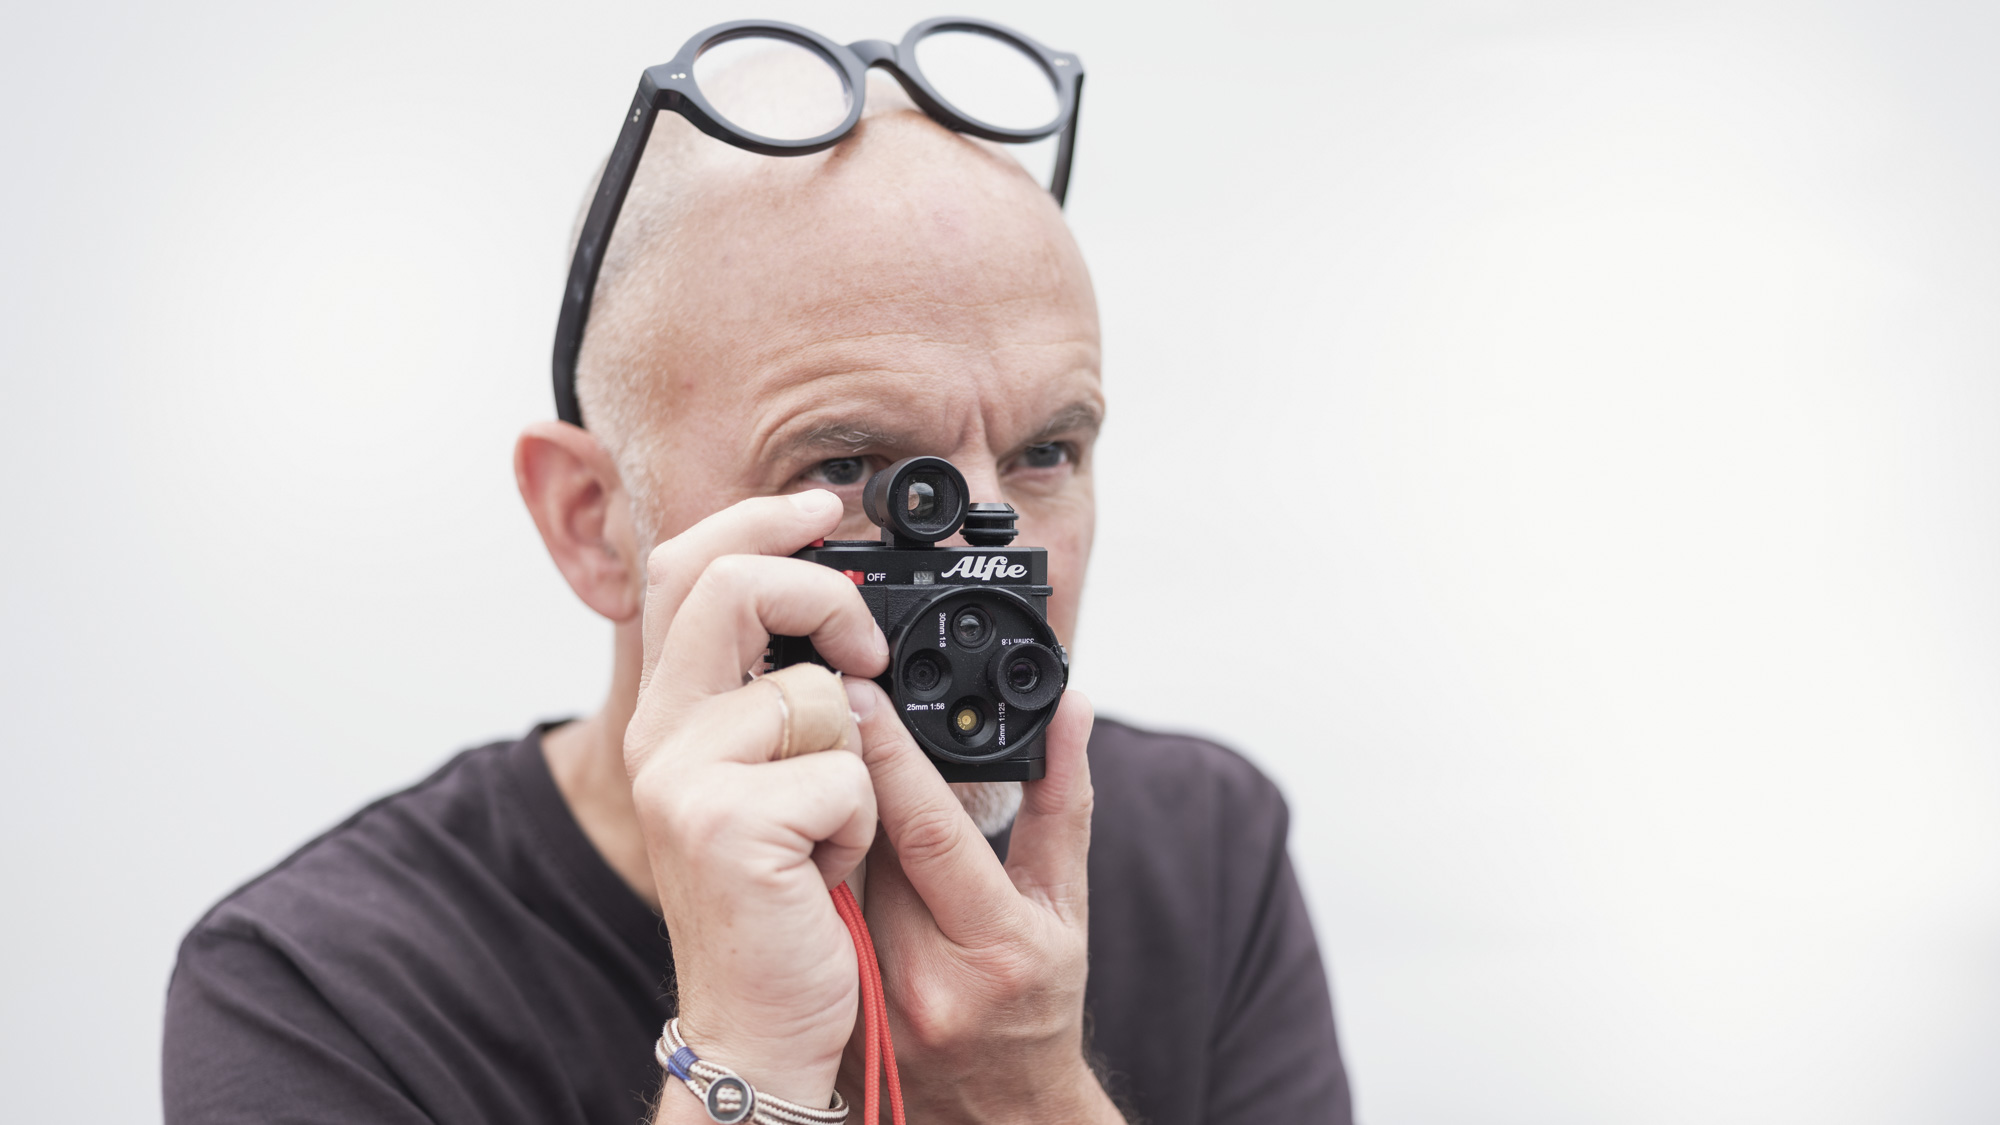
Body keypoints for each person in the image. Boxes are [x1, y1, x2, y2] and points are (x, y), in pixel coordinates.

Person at [162, 40, 1353, 1125]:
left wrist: (1022, 1091)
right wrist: (750, 1058)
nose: (979, 559)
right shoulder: (325, 989)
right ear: (593, 526)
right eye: (851, 466)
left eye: (1046, 452)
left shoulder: (1204, 853)